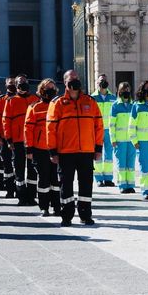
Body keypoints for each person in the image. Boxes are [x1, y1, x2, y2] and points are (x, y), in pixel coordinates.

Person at [46, 69, 104, 226]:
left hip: (86, 151)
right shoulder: (57, 103)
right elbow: (50, 129)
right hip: (65, 152)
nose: (75, 81)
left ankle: (85, 215)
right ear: (65, 82)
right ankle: (66, 215)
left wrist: (98, 148)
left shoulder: (90, 101)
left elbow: (99, 126)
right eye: (71, 79)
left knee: (86, 184)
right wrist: (52, 151)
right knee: (66, 185)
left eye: (77, 78)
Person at [25, 79, 61, 217]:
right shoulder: (34, 107)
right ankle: (44, 207)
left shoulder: (59, 105)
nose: (50, 90)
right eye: (47, 88)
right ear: (41, 90)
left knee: (56, 180)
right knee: (44, 178)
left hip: (57, 149)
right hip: (40, 149)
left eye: (52, 88)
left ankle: (57, 207)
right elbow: (28, 129)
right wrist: (29, 149)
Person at [3, 75, 39, 206]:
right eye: (20, 82)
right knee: (19, 169)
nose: (22, 84)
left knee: (32, 170)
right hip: (17, 141)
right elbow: (5, 121)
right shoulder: (11, 101)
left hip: (32, 141)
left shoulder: (35, 99)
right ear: (16, 85)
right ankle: (21, 196)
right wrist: (9, 139)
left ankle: (31, 196)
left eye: (24, 82)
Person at [0, 77, 17, 198]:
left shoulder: (21, 99)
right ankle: (10, 189)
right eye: (10, 83)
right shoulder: (1, 100)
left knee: (19, 166)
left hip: (19, 139)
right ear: (6, 85)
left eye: (14, 83)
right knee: (7, 165)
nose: (12, 85)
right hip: (5, 138)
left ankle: (20, 189)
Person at [110, 82, 136, 194]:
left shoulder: (134, 105)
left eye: (128, 90)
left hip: (131, 140)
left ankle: (130, 184)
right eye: (123, 90)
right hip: (119, 140)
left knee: (130, 163)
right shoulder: (115, 106)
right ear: (119, 92)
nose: (126, 92)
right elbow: (111, 125)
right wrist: (113, 139)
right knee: (121, 164)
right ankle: (122, 184)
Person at [93, 74, 117, 187]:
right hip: (96, 131)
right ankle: (98, 178)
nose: (103, 82)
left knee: (109, 156)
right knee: (97, 155)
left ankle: (108, 178)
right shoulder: (93, 98)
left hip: (109, 131)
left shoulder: (113, 98)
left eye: (105, 80)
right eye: (101, 80)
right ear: (97, 83)